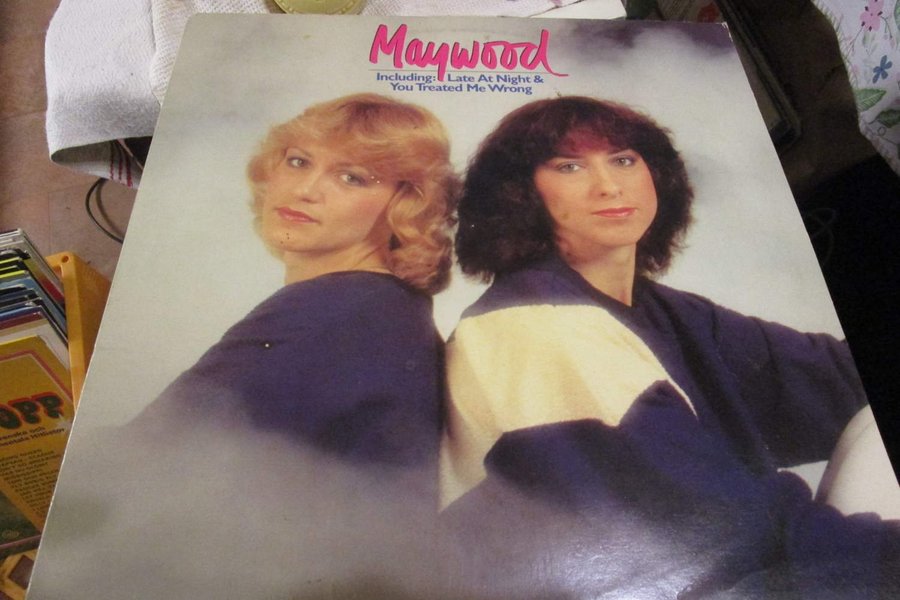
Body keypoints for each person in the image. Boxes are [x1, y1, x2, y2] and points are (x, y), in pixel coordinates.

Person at [440, 96, 900, 598]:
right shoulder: (532, 329)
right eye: (569, 166)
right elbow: (726, 532)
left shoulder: (658, 310)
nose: (608, 185)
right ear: (519, 193)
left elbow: (830, 380)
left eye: (623, 159)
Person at [133, 92, 458, 512]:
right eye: (299, 161)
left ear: (407, 205)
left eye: (352, 177)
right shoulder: (389, 307)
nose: (305, 190)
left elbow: (138, 459)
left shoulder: (333, 311)